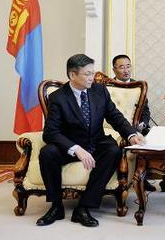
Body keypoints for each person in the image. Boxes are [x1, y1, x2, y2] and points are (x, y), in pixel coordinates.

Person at [37, 54, 145, 227]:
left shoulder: (99, 90)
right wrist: (76, 149)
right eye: (87, 74)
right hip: (70, 145)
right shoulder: (58, 97)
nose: (92, 77)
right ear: (73, 75)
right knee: (47, 153)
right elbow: (50, 132)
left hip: (96, 141)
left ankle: (84, 207)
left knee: (113, 151)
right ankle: (56, 207)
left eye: (92, 73)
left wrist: (131, 135)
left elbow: (115, 117)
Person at [112, 54, 156, 192]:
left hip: (137, 126)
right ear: (114, 70)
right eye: (121, 67)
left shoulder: (139, 87)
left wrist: (142, 123)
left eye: (128, 66)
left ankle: (143, 177)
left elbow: (145, 110)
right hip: (116, 126)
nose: (126, 70)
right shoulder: (107, 87)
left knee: (149, 135)